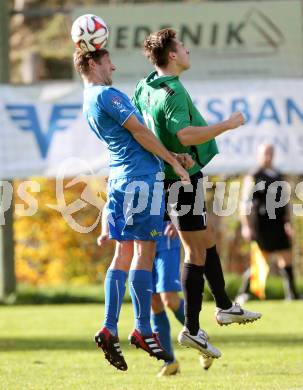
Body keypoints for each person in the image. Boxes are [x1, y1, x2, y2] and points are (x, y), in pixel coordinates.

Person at [133, 28, 261, 359]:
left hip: (172, 175)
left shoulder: (146, 85)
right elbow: (184, 132)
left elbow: (144, 131)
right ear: (172, 55)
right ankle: (191, 330)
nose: (188, 50)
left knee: (207, 238)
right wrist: (226, 124)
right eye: (183, 47)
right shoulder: (173, 91)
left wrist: (169, 154)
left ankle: (224, 305)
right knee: (196, 253)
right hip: (182, 181)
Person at [73, 47, 191, 371]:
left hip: (120, 180)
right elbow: (140, 132)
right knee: (145, 251)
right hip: (142, 181)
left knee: (122, 254)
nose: (113, 66)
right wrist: (172, 162)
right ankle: (142, 327)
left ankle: (109, 326)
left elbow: (133, 140)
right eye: (108, 61)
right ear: (93, 63)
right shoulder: (107, 95)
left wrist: (170, 155)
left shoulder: (87, 100)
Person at [237, 143, 301, 302]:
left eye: (270, 153)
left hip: (278, 222)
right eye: (265, 153)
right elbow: (245, 204)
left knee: (286, 257)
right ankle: (243, 293)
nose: (268, 156)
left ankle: (292, 294)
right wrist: (246, 226)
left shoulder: (278, 175)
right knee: (260, 260)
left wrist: (288, 223)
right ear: (258, 155)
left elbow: (285, 202)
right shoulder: (254, 175)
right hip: (261, 223)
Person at [151, 221, 213, 376]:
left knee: (169, 299)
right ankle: (169, 361)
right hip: (142, 234)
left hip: (165, 234)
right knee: (153, 301)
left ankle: (200, 339)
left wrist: (175, 219)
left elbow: (181, 196)